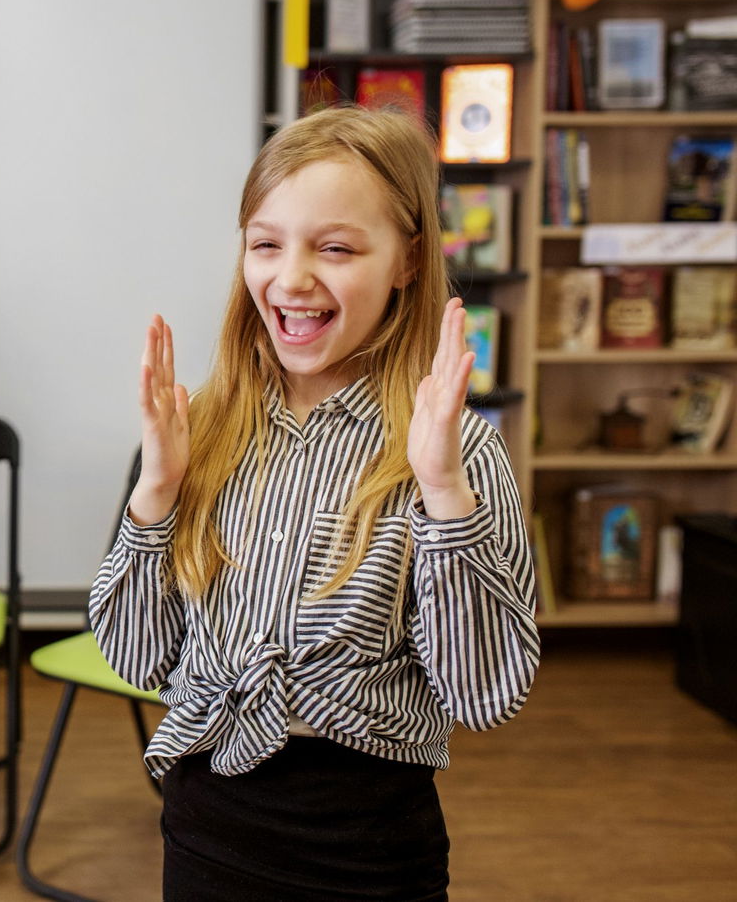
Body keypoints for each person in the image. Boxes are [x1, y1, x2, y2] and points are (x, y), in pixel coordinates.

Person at [92, 106, 540, 901]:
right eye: (266, 244)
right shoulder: (212, 425)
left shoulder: (456, 450)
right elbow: (136, 659)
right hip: (205, 825)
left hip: (364, 847)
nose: (291, 278)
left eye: (335, 248)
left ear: (407, 259)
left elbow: (485, 693)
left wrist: (443, 499)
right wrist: (155, 495)